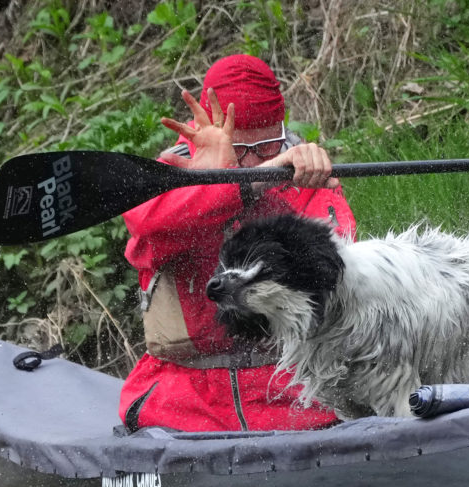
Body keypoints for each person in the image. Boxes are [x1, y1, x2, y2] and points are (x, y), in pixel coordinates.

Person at [118, 55, 356, 432]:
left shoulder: (304, 178)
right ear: (204, 126)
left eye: (266, 146)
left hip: (297, 399)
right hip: (183, 410)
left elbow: (337, 261)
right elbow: (147, 222)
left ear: (282, 130)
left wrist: (282, 178)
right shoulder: (167, 177)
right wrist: (230, 183)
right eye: (240, 149)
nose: (253, 160)